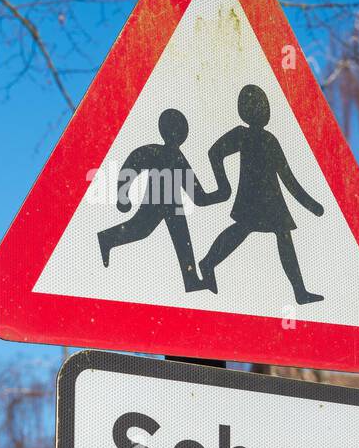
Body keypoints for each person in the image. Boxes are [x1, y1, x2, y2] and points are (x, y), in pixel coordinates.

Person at [199, 84, 325, 301]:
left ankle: (299, 292)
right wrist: (223, 185)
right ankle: (207, 263)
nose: (266, 111)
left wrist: (311, 204)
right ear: (248, 111)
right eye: (260, 106)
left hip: (271, 200)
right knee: (244, 230)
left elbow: (288, 177)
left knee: (276, 235)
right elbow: (214, 152)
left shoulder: (270, 139)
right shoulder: (243, 135)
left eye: (265, 106)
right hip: (253, 198)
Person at [97, 108, 218, 292]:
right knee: (142, 229)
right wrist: (122, 196)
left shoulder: (173, 156)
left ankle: (191, 279)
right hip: (157, 201)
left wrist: (220, 195)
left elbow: (197, 195)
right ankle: (107, 238)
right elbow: (131, 166)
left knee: (180, 238)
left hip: (173, 204)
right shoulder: (158, 152)